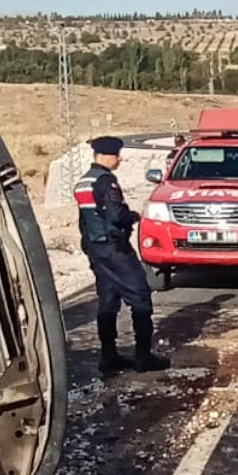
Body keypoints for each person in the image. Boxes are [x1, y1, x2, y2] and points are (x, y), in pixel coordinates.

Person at [76, 136, 171, 374]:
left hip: (96, 250)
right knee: (140, 297)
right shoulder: (106, 182)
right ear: (104, 156)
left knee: (107, 301)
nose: (120, 159)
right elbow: (116, 215)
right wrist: (133, 216)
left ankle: (108, 357)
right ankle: (143, 357)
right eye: (117, 155)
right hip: (116, 250)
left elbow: (85, 220)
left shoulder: (83, 182)